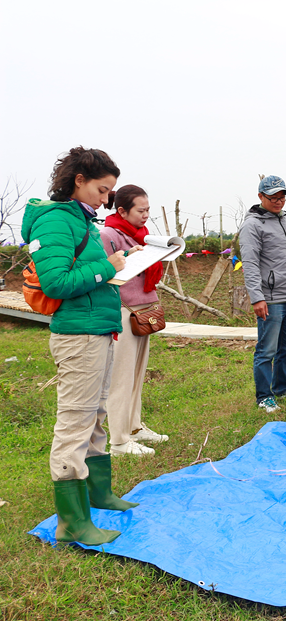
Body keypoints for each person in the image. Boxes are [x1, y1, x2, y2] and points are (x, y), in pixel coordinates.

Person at [22, 147, 138, 545]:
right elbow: (57, 283)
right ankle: (71, 522)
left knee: (96, 415)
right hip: (78, 337)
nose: (107, 200)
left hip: (97, 330)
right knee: (75, 423)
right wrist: (110, 266)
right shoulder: (55, 221)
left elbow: (82, 272)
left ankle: (98, 494)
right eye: (103, 190)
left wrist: (120, 261)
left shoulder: (82, 221)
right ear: (79, 180)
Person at [100, 184, 168, 456]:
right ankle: (118, 439)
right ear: (122, 210)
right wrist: (130, 256)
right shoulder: (108, 234)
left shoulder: (143, 235)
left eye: (148, 209)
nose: (146, 215)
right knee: (121, 376)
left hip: (144, 308)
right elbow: (106, 269)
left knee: (138, 374)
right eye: (141, 210)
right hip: (124, 310)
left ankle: (135, 427)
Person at [239, 175, 286, 414]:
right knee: (266, 349)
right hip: (271, 298)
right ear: (261, 196)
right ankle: (264, 396)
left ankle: (283, 389)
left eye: (282, 197)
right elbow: (250, 264)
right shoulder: (252, 226)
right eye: (273, 197)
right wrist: (257, 297)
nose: (278, 201)